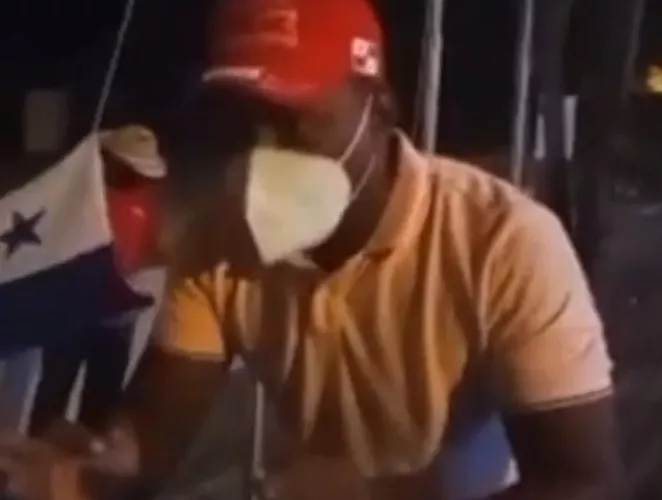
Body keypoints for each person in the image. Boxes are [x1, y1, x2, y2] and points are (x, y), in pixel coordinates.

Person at [0, 1, 621, 499]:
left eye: (295, 120)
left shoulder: (505, 241)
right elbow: (153, 435)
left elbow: (581, 483)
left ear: (379, 110)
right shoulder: (224, 243)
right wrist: (91, 471)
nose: (264, 153)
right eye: (244, 122)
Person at [27, 125, 166, 437]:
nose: (136, 177)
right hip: (72, 311)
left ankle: (85, 458)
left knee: (102, 402)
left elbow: (151, 248)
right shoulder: (81, 194)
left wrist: (141, 272)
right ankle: (38, 454)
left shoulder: (147, 199)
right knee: (53, 395)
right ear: (111, 160)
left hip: (118, 317)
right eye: (131, 169)